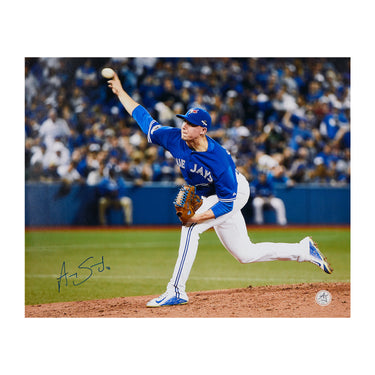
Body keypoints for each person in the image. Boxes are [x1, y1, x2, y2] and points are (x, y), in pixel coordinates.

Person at [107, 71, 333, 308]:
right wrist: (121, 91)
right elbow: (143, 117)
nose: (184, 126)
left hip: (234, 193)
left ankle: (176, 291)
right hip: (214, 195)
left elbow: (226, 202)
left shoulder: (220, 159)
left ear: (203, 130)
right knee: (245, 254)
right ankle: (303, 250)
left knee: (191, 229)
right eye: (184, 121)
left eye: (191, 124)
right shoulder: (173, 138)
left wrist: (196, 217)